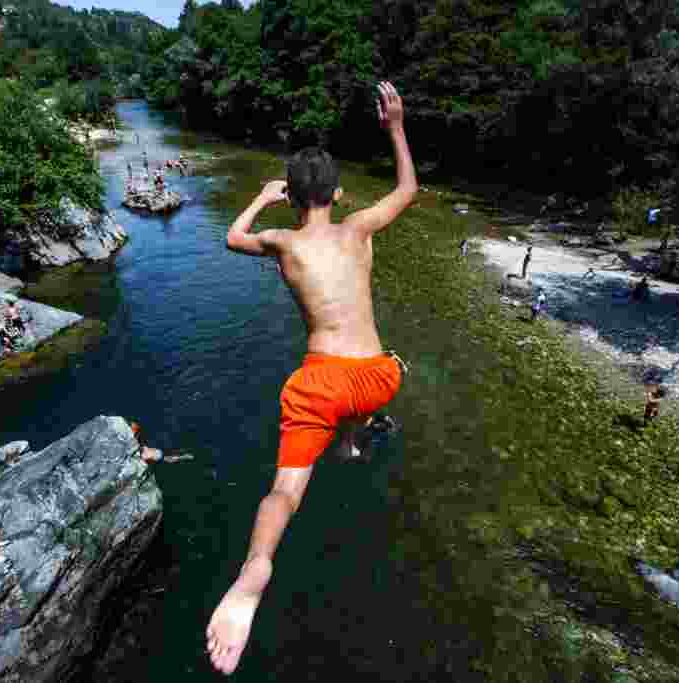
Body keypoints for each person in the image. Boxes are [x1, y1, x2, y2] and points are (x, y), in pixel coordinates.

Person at [205, 81, 415, 676]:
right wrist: (395, 127)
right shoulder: (360, 230)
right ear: (339, 194)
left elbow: (231, 237)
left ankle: (253, 574)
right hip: (376, 379)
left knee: (285, 493)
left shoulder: (282, 241)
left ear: (294, 194)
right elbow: (408, 188)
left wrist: (262, 199)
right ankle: (351, 439)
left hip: (321, 383)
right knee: (387, 374)